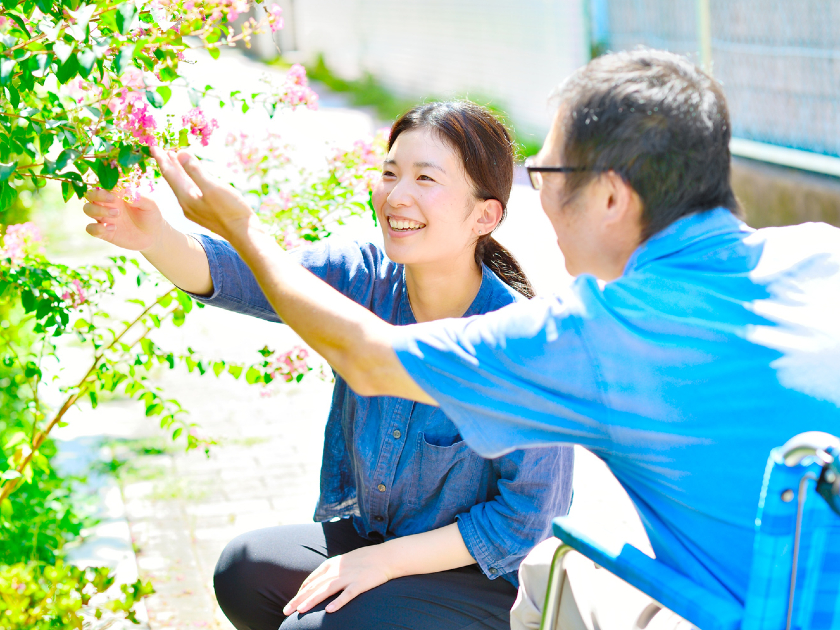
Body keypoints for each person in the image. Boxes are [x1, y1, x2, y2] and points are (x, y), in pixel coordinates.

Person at [141, 48, 840, 629]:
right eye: (391, 172)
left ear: (611, 196)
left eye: (548, 176)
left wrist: (245, 228)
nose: (541, 202)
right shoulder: (821, 254)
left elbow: (365, 356)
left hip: (708, 608)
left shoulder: (589, 335)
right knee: (259, 575)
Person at [82, 101, 574, 630]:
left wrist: (381, 563)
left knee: (309, 627)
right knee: (244, 571)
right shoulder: (365, 277)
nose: (396, 194)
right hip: (379, 541)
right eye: (390, 172)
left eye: (425, 178)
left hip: (485, 582)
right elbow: (256, 278)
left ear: (485, 215)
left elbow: (525, 519)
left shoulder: (524, 344)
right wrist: (155, 238)